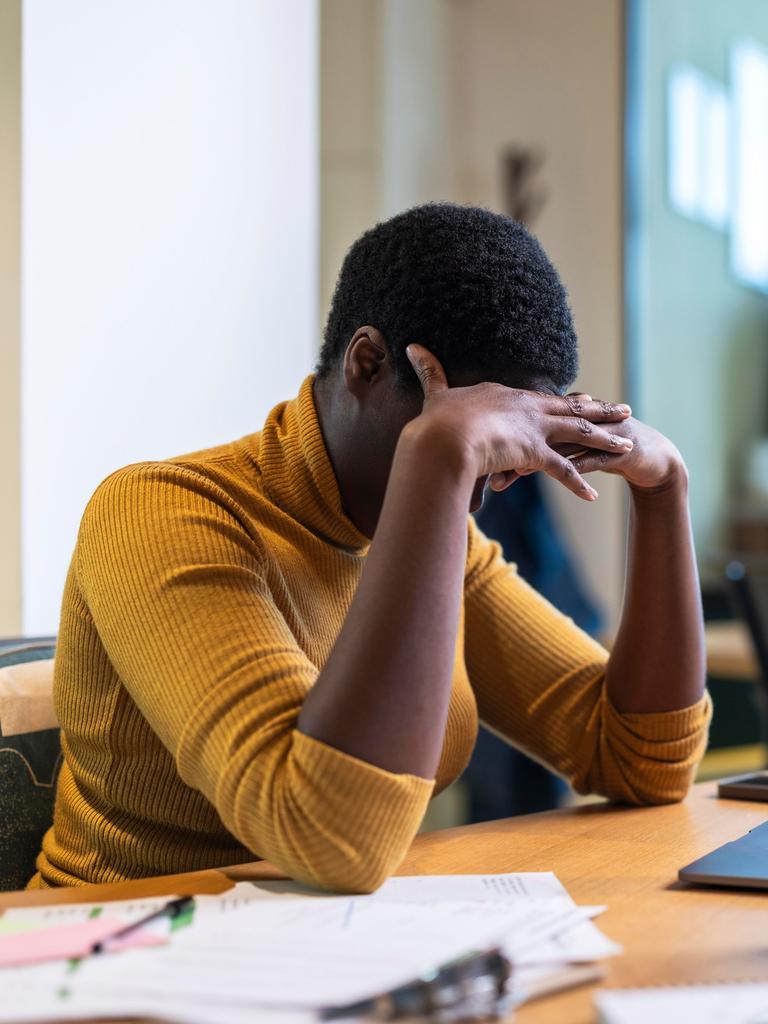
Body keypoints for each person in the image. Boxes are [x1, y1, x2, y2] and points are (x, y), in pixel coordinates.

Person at [31, 204, 711, 892]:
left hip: (318, 951)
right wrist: (440, 453)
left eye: (500, 464)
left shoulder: (442, 536)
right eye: (467, 447)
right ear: (368, 363)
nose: (479, 497)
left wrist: (664, 494)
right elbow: (333, 839)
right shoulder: (162, 513)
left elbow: (640, 762)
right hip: (120, 958)